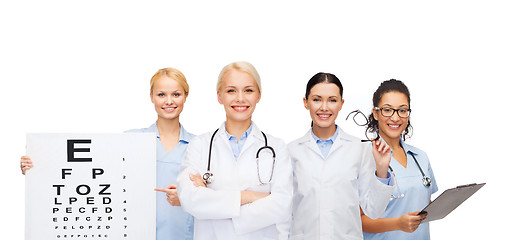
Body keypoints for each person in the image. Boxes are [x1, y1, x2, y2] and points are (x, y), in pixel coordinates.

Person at [20, 67, 195, 240]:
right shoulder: (130, 140)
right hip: (134, 232)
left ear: (186, 96)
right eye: (161, 94)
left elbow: (211, 193)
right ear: (151, 97)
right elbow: (89, 172)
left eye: (176, 94)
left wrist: (186, 198)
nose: (169, 101)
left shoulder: (199, 146)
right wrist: (38, 166)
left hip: (182, 233)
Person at [176, 61, 293, 240]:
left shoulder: (276, 147)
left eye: (248, 90)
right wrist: (252, 197)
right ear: (219, 96)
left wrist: (212, 200)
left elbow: (282, 204)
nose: (240, 98)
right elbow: (190, 199)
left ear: (258, 96)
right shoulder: (200, 145)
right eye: (231, 90)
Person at [288, 72, 394, 240]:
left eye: (332, 100)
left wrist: (382, 170)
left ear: (341, 104)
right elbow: (283, 211)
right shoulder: (291, 152)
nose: (324, 107)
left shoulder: (359, 149)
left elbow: (373, 210)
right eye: (316, 99)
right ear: (306, 102)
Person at [361, 79, 438, 240]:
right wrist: (397, 224)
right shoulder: (361, 156)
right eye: (387, 110)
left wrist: (448, 203)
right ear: (375, 113)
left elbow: (423, 202)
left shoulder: (421, 157)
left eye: (402, 111)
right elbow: (358, 219)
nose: (395, 118)